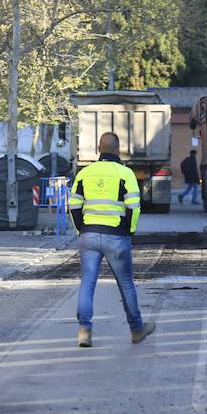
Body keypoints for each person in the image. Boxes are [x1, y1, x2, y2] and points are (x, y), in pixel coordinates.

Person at [68, 132, 156, 348]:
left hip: (89, 235)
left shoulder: (84, 173)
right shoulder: (125, 174)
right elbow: (134, 208)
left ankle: (84, 331)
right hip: (116, 237)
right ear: (118, 149)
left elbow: (74, 206)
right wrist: (129, 231)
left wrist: (82, 230)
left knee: (87, 283)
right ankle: (136, 330)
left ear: (99, 148)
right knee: (126, 284)